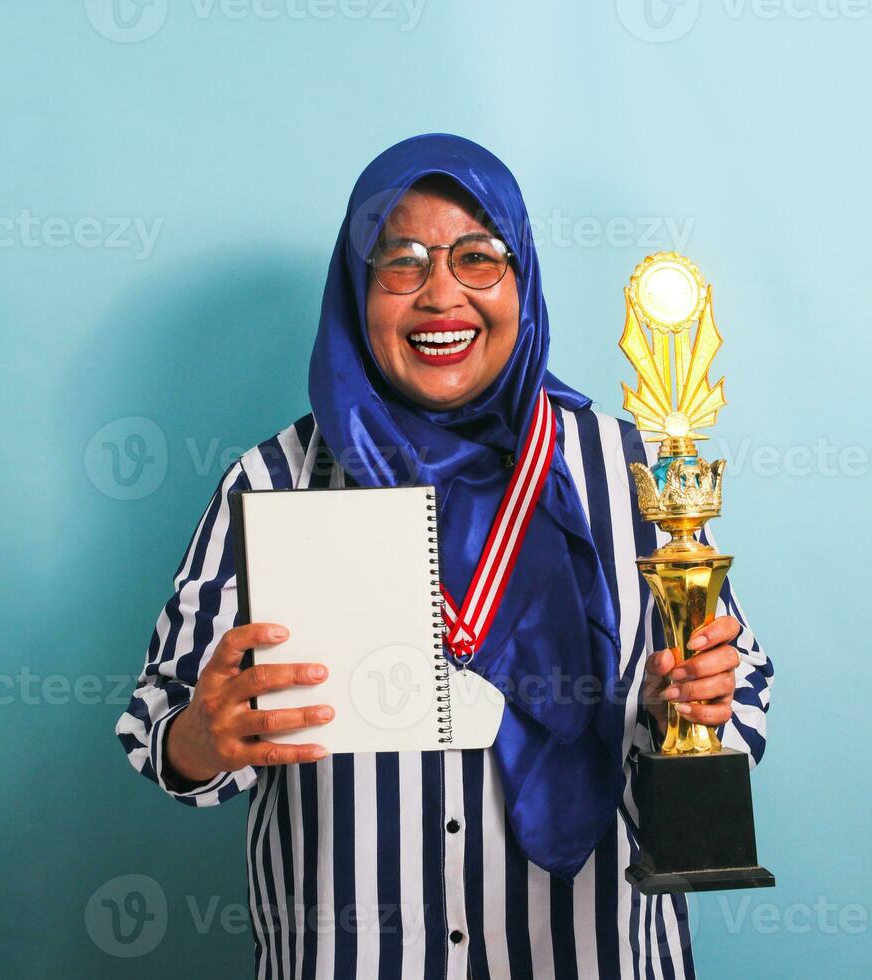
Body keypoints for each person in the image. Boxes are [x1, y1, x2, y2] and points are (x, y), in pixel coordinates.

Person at [115, 134, 773, 980]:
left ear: (522, 276)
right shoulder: (270, 482)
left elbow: (741, 683)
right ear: (357, 288)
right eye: (402, 263)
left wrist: (694, 706)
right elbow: (157, 727)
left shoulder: (630, 469)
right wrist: (203, 739)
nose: (441, 297)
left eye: (477, 258)